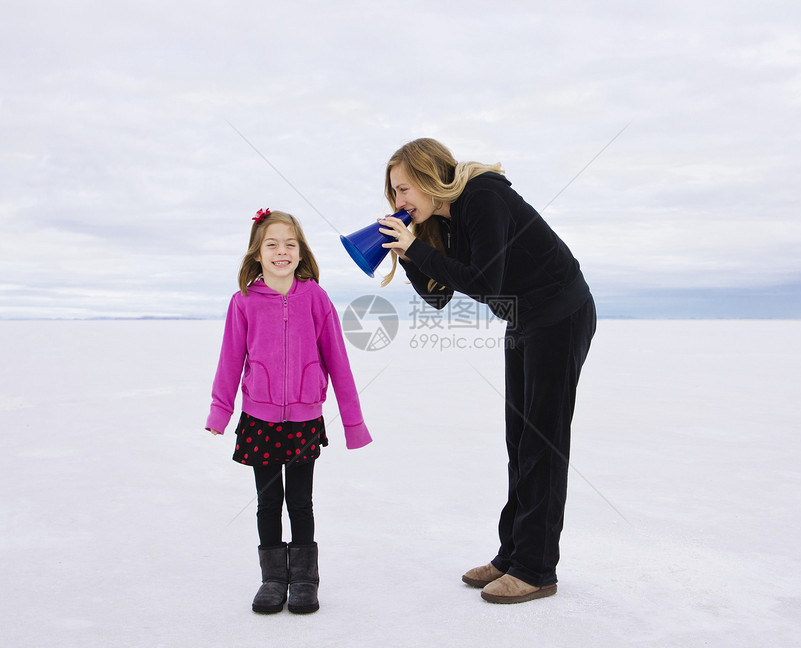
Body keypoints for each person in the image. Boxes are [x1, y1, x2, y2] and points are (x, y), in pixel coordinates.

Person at [377, 138, 596, 604]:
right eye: (393, 194)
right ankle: (513, 555)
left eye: (402, 189)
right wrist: (409, 253)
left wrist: (418, 247)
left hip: (560, 312)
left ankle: (536, 570)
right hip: (524, 318)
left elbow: (483, 282)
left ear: (427, 175)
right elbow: (440, 297)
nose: (398, 201)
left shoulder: (482, 196)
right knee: (519, 440)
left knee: (542, 441)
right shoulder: (444, 221)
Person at [206, 209, 372, 615]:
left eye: (290, 244)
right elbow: (230, 360)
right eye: (272, 244)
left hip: (303, 420)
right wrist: (219, 412)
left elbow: (338, 361)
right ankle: (273, 579)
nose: (282, 251)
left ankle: (304, 579)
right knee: (267, 502)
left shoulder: (315, 297)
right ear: (257, 253)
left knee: (300, 501)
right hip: (259, 420)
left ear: (301, 251)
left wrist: (353, 423)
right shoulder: (243, 301)